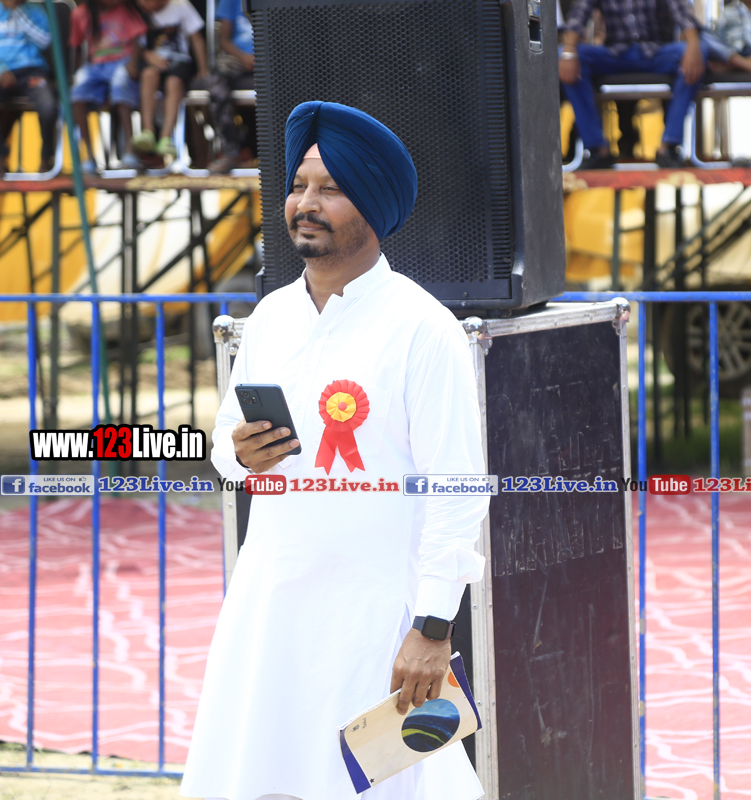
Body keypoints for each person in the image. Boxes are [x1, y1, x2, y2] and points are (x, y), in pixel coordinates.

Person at [179, 100, 489, 800]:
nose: (305, 204)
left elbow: (456, 489)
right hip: (272, 606)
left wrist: (432, 627)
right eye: (298, 186)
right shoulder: (271, 317)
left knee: (384, 784)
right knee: (262, 778)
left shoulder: (422, 328)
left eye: (331, 188)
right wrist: (241, 451)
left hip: (376, 618)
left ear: (373, 206)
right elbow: (225, 445)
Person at [559, 0, 708, 169]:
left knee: (698, 51)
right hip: (615, 55)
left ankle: (669, 146)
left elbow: (683, 15)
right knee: (566, 56)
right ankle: (596, 148)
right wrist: (569, 51)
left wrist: (693, 46)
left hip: (656, 53)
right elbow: (578, 17)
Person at [69, 0, 146, 173]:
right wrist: (76, 72)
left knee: (120, 83)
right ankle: (89, 156)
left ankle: (130, 150)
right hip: (95, 66)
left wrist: (133, 64)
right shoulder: (80, 14)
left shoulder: (125, 8)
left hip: (123, 61)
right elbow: (77, 45)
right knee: (77, 91)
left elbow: (137, 40)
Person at [130, 0, 206, 162]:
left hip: (180, 62)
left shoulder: (181, 5)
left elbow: (196, 38)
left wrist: (203, 69)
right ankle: (148, 131)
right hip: (154, 62)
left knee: (173, 83)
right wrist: (147, 56)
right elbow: (138, 44)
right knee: (148, 75)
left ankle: (166, 137)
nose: (142, 4)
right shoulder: (141, 13)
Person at [0, 0, 58, 173]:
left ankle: (46, 158)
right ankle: (1, 156)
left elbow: (45, 41)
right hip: (2, 72)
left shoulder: (36, 11)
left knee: (48, 106)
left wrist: (18, 12)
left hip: (31, 71)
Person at [198, 0, 254, 172]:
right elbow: (224, 41)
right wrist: (243, 57)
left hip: (276, 56)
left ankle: (289, 150)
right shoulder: (230, 1)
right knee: (215, 79)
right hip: (239, 57)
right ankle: (230, 152)